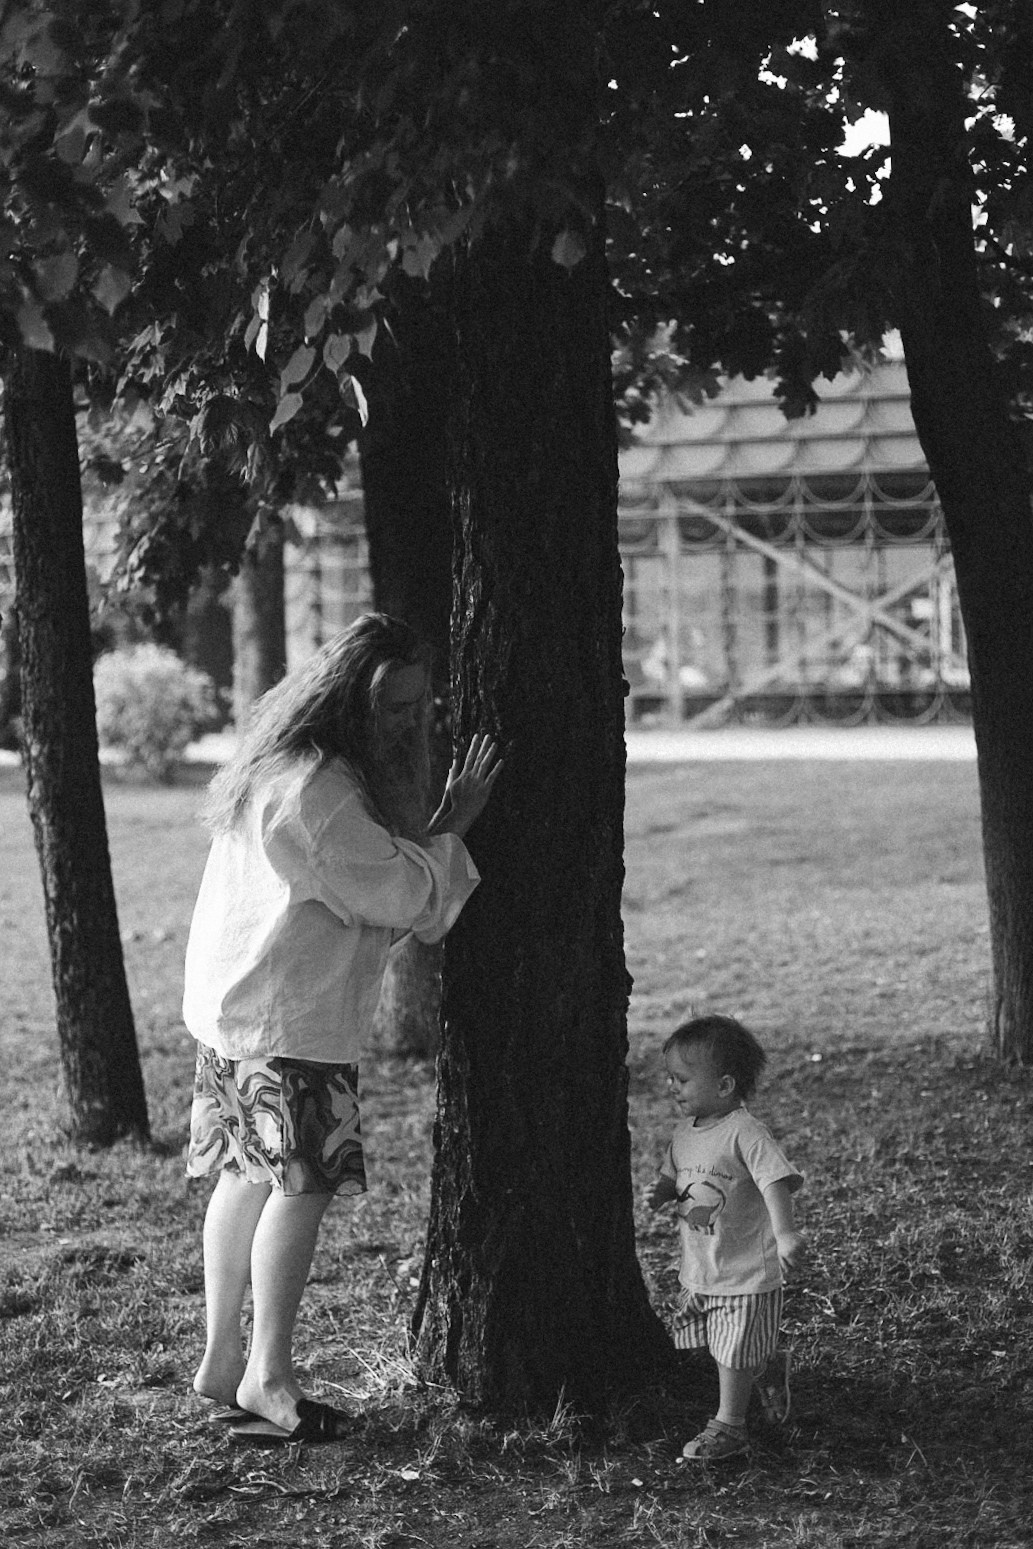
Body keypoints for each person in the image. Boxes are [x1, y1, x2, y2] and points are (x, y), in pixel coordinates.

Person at [182, 613, 501, 1446]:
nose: (408, 721)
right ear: (347, 698)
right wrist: (456, 821)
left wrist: (425, 830)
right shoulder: (319, 792)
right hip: (287, 1020)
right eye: (392, 707)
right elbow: (400, 896)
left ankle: (222, 1360)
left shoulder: (284, 765)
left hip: (237, 1010)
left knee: (245, 1176)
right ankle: (266, 1375)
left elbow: (377, 878)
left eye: (417, 705)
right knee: (299, 1185)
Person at [643, 1013, 805, 1463]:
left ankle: (729, 1427)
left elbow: (775, 1180)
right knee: (713, 1344)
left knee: (731, 1351)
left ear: (724, 1085)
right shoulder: (683, 1133)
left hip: (746, 1269)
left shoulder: (747, 1133)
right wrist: (659, 1191)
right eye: (670, 1078)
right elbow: (672, 1174)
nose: (672, 1088)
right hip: (703, 1265)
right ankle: (766, 1367)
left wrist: (786, 1234)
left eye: (682, 1079)